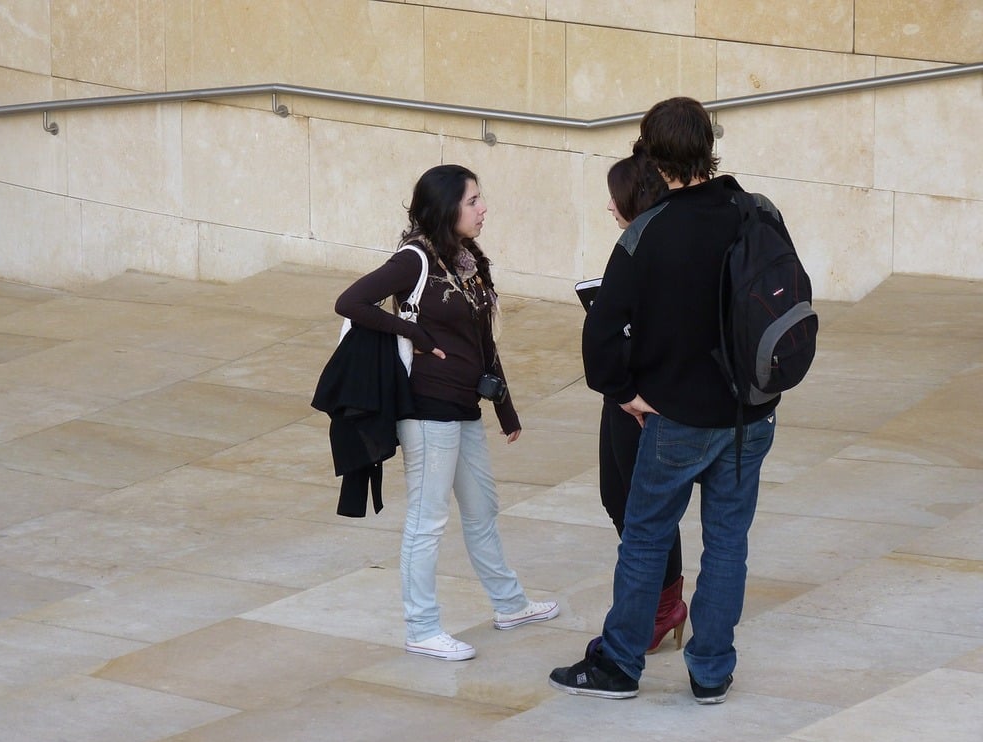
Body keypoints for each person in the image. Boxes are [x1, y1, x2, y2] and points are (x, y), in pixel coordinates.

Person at [549, 97, 782, 702]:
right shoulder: (756, 211)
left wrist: (622, 391)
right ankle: (710, 672)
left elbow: (602, 331)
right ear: (710, 143)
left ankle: (620, 666)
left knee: (645, 537)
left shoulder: (648, 233)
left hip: (677, 418)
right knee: (728, 542)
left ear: (651, 156)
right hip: (749, 416)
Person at [335, 164, 559, 661]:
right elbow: (350, 301)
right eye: (473, 201)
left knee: (482, 508)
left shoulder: (467, 259)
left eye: (480, 199)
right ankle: (421, 628)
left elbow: (482, 340)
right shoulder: (414, 260)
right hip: (426, 408)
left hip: (463, 405)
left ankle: (510, 605)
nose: (483, 209)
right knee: (427, 518)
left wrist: (506, 409)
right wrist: (413, 334)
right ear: (446, 208)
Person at [599, 152, 687, 654]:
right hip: (621, 391)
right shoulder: (631, 244)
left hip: (649, 398)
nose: (609, 206)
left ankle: (663, 605)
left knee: (646, 507)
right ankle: (659, 600)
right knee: (617, 497)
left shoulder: (656, 245)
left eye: (615, 196)